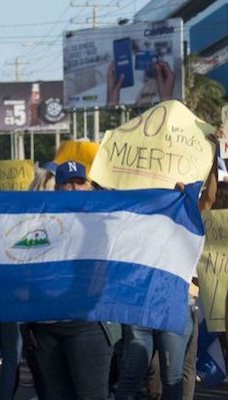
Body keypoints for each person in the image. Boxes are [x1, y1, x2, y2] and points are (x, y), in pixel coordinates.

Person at [116, 131, 220, 400]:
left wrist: (215, 154)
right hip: (140, 306)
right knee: (131, 377)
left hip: (175, 303)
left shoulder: (186, 212)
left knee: (173, 379)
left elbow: (209, 198)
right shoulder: (137, 212)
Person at [31, 161, 119, 400]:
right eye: (68, 183)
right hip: (45, 326)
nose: (74, 188)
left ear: (87, 186)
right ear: (57, 187)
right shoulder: (40, 220)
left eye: (79, 182)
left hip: (88, 325)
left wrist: (175, 197)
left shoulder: (104, 219)